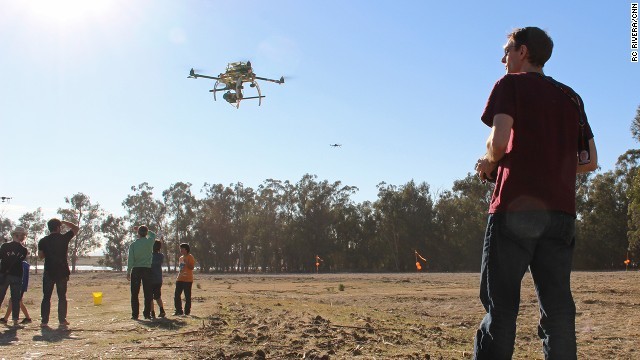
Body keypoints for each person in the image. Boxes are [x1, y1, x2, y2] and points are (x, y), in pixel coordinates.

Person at [473, 27, 598, 360]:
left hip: (513, 211)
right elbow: (590, 160)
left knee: (500, 310)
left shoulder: (509, 85)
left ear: (523, 51)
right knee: (558, 310)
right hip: (560, 215)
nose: (503, 58)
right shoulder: (572, 96)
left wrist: (488, 161)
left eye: (507, 50)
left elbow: (499, 143)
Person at [38, 219, 79, 328]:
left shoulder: (43, 241)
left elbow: (41, 256)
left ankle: (44, 321)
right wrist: (65, 222)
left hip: (48, 271)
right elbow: (76, 228)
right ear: (58, 227)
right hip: (62, 271)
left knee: (46, 297)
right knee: (62, 297)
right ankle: (62, 320)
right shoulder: (64, 238)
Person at [0, 227, 29, 326]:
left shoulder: (4, 246)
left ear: (13, 235)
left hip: (4, 274)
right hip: (17, 275)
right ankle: (15, 320)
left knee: (1, 296)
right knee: (16, 299)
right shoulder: (24, 250)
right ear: (20, 236)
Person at [126, 225, 156, 320]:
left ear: (138, 234)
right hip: (147, 269)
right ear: (146, 233)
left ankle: (135, 314)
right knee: (147, 293)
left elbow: (130, 260)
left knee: (134, 293)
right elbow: (153, 235)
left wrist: (128, 271)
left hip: (136, 270)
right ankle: (147, 314)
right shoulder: (149, 242)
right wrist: (147, 231)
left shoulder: (133, 245)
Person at [174, 243, 195, 316]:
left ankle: (187, 312)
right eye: (180, 249)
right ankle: (178, 310)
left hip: (188, 280)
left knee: (187, 296)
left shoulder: (190, 257)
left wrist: (186, 263)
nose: (181, 250)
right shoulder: (180, 258)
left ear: (186, 249)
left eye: (182, 249)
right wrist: (181, 267)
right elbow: (181, 268)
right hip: (180, 278)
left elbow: (191, 267)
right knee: (177, 295)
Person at [150, 239, 166, 318]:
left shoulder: (150, 256)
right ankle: (161, 310)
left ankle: (152, 312)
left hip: (150, 279)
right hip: (158, 279)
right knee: (157, 296)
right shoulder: (161, 256)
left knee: (149, 297)